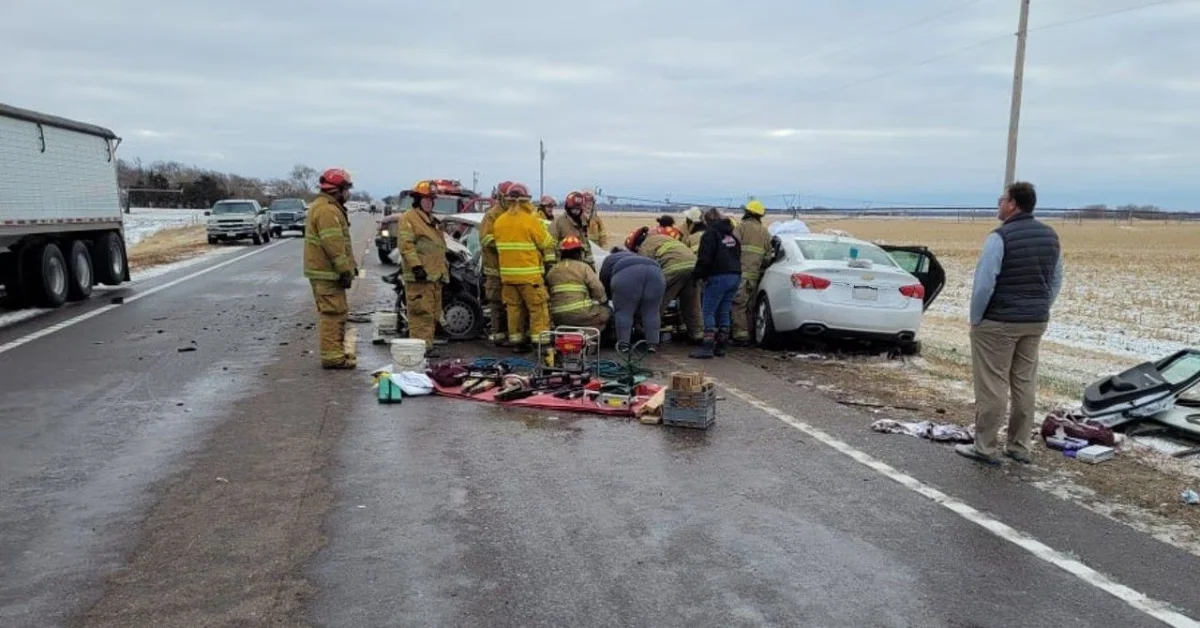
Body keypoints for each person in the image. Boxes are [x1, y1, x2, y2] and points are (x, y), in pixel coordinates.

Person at [956, 181, 1064, 466]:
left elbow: (984, 285)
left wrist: (976, 319)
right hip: (1035, 321)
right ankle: (1018, 446)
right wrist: (1040, 307)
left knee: (992, 385)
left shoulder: (999, 237)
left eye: (1002, 200)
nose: (999, 204)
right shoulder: (1051, 237)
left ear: (1013, 204)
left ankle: (985, 446)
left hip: (999, 321)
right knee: (1024, 384)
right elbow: (1055, 281)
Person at [302, 167, 358, 369]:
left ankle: (335, 354)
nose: (348, 194)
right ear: (339, 190)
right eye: (347, 189)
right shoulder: (327, 210)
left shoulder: (324, 207)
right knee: (333, 315)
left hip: (325, 273)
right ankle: (333, 358)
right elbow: (334, 245)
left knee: (335, 313)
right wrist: (345, 270)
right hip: (328, 274)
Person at [493, 182, 557, 353]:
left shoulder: (499, 222)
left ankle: (517, 342)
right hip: (530, 276)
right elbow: (546, 242)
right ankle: (541, 343)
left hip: (507, 277)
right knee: (538, 309)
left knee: (514, 311)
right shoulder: (530, 221)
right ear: (525, 200)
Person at [397, 180, 448, 358]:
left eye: (432, 200)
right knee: (421, 314)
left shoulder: (430, 220)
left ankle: (426, 345)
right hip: (420, 278)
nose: (430, 203)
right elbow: (406, 246)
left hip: (433, 278)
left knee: (432, 313)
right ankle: (420, 349)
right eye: (426, 199)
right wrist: (417, 266)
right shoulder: (409, 219)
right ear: (417, 200)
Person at [629, 227, 703, 344]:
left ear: (638, 244)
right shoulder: (665, 238)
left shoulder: (645, 246)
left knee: (656, 303)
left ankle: (647, 334)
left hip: (673, 269)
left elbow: (645, 270)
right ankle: (697, 334)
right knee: (692, 303)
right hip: (694, 267)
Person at [689, 208, 741, 359]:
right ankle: (721, 346)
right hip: (735, 276)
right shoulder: (731, 234)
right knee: (724, 311)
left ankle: (707, 347)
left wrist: (697, 275)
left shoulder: (710, 235)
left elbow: (705, 258)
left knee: (708, 311)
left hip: (718, 276)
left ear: (707, 221)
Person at [600, 247, 665, 352]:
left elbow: (604, 280)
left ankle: (623, 345)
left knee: (624, 312)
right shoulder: (636, 254)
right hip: (655, 272)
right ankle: (652, 344)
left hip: (626, 274)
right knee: (652, 312)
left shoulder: (610, 259)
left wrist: (608, 299)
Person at [546, 236, 610, 330]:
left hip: (558, 318)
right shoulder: (583, 267)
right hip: (582, 315)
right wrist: (604, 301)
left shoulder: (552, 271)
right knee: (608, 312)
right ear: (578, 252)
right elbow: (597, 288)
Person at [731, 199, 771, 346]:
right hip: (755, 276)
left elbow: (732, 248)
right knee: (750, 306)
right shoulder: (765, 232)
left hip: (740, 273)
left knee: (738, 305)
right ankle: (750, 334)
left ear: (747, 212)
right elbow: (767, 257)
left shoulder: (740, 228)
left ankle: (740, 336)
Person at [479, 182, 512, 346]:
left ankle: (509, 334)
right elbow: (486, 239)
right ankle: (498, 335)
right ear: (500, 197)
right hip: (495, 270)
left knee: (511, 304)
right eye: (508, 198)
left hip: (511, 269)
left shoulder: (514, 215)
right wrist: (505, 243)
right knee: (497, 303)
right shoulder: (492, 215)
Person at [550, 191, 594, 267]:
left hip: (581, 266)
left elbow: (587, 246)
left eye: (578, 209)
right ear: (568, 208)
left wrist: (591, 265)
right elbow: (550, 246)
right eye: (573, 209)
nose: (576, 212)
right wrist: (552, 265)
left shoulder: (583, 223)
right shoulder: (558, 223)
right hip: (562, 266)